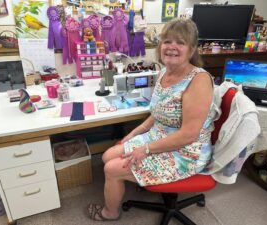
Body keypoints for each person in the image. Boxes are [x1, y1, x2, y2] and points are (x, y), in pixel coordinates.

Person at [88, 18, 214, 221]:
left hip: (185, 152)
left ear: (191, 49)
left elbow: (188, 135)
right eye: (167, 41)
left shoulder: (199, 80)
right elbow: (157, 115)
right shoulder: (164, 72)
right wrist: (132, 134)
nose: (172, 47)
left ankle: (109, 213)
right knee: (107, 155)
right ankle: (141, 178)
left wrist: (145, 150)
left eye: (180, 43)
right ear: (160, 46)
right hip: (159, 137)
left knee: (111, 169)